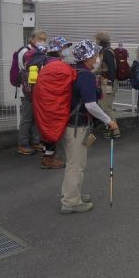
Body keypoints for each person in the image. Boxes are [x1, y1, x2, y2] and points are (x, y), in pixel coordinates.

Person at [61, 40, 118, 214]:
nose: (98, 57)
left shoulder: (77, 71)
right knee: (76, 165)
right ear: (89, 57)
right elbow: (91, 105)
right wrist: (108, 120)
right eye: (96, 54)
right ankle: (71, 201)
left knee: (76, 162)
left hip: (74, 125)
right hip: (77, 127)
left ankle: (73, 194)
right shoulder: (85, 75)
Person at [38, 37, 73, 169]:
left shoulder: (46, 62)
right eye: (65, 47)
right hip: (52, 102)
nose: (67, 50)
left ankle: (47, 155)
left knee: (47, 129)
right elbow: (70, 77)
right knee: (52, 129)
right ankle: (48, 159)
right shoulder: (57, 65)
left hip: (44, 101)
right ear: (58, 50)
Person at [17, 30, 47, 155]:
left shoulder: (41, 51)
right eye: (40, 38)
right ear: (32, 39)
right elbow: (25, 67)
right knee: (27, 118)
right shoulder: (24, 51)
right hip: (27, 90)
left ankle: (35, 141)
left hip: (37, 90)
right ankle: (23, 144)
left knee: (36, 117)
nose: (42, 41)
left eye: (44, 39)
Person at [95, 31, 121, 139]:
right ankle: (109, 128)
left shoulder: (106, 52)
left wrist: (110, 83)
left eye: (97, 39)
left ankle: (115, 131)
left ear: (100, 40)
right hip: (107, 81)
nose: (96, 41)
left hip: (108, 82)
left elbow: (112, 68)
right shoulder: (106, 50)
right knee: (104, 106)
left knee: (106, 107)